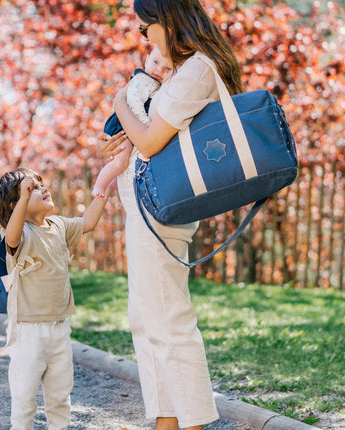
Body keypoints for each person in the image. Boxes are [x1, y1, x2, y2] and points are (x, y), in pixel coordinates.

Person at [97, 0, 244, 429]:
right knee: (148, 319)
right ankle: (167, 420)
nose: (145, 38)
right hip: (145, 206)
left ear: (170, 19)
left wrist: (120, 99)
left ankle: (191, 423)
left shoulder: (199, 68)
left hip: (160, 211)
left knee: (169, 320)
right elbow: (143, 136)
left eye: (147, 28)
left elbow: (149, 141)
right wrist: (121, 136)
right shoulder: (185, 70)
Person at [0, 167, 112, 430]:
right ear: (15, 204)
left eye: (41, 185)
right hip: (28, 332)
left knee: (60, 397)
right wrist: (22, 198)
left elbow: (87, 222)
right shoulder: (19, 236)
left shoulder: (59, 226)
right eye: (33, 189)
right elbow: (12, 235)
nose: (42, 189)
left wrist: (102, 188)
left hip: (60, 329)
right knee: (25, 400)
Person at [92, 46, 173, 199]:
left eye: (167, 68)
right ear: (147, 59)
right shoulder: (143, 80)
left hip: (128, 124)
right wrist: (145, 123)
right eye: (155, 62)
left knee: (121, 160)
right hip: (122, 126)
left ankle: (111, 181)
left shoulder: (154, 83)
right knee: (120, 162)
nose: (159, 69)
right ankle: (100, 185)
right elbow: (134, 102)